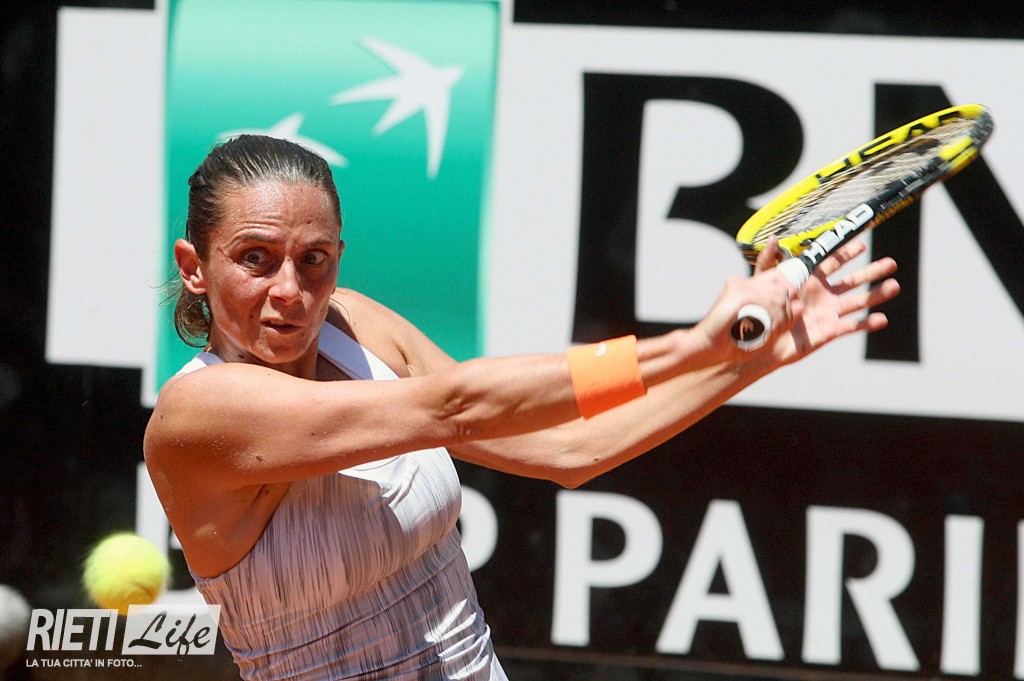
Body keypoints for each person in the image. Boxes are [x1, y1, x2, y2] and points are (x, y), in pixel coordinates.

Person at [144, 134, 899, 681]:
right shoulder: (199, 417)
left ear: (338, 257)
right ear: (195, 267)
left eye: (313, 259)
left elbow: (570, 451)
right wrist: (694, 343)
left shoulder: (354, 323)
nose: (289, 290)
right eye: (254, 258)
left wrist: (746, 358)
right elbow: (456, 405)